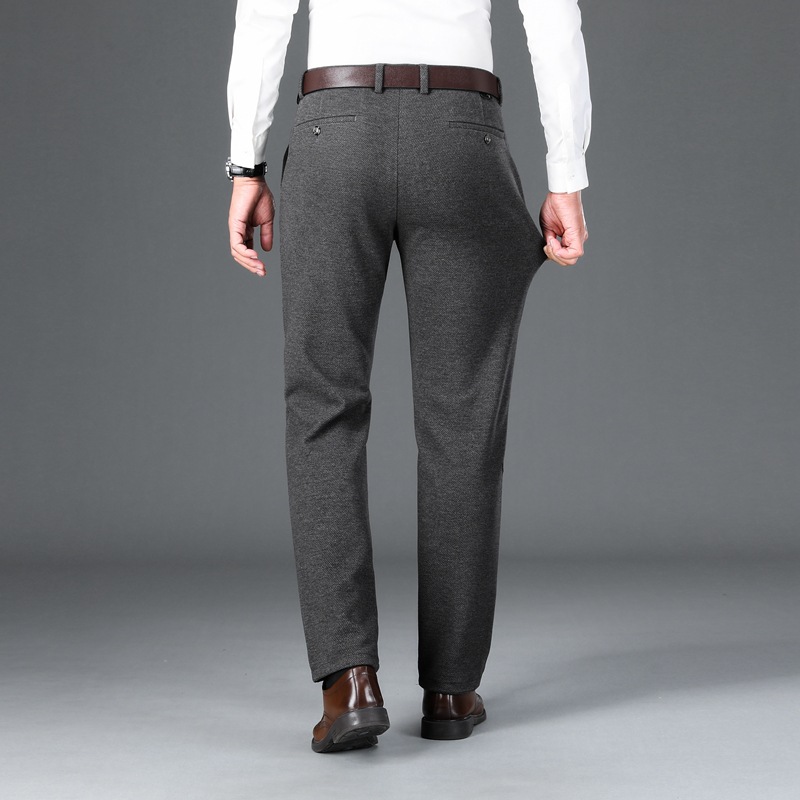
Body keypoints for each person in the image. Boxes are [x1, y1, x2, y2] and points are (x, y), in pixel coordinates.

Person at [225, 0, 591, 753]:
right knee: (463, 416)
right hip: (461, 131)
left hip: (333, 130)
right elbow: (554, 16)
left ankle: (349, 682)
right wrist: (566, 175)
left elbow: (263, 14)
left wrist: (246, 162)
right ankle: (452, 688)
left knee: (323, 404)